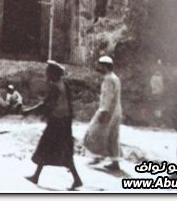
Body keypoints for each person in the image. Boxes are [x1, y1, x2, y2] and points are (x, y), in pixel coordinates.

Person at [23, 61, 83, 190]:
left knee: (46, 147)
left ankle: (37, 176)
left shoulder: (55, 87)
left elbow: (46, 104)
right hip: (65, 122)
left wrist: (29, 111)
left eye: (48, 72)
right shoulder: (64, 85)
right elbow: (68, 105)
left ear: (53, 73)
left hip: (57, 122)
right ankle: (37, 176)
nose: (46, 74)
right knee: (61, 150)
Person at [83, 55, 122, 171]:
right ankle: (114, 161)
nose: (99, 68)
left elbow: (108, 97)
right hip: (116, 111)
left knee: (93, 133)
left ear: (105, 66)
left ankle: (98, 156)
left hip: (108, 111)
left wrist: (104, 111)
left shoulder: (108, 79)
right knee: (112, 136)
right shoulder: (115, 78)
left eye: (101, 66)